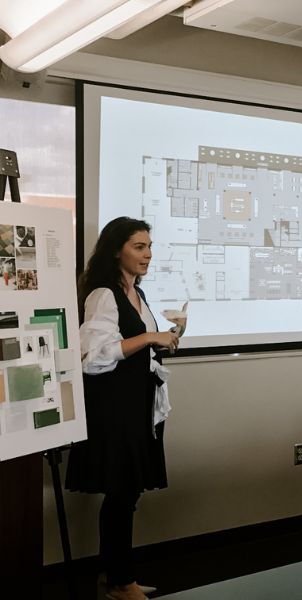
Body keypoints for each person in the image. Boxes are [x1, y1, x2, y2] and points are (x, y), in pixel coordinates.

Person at [65, 217, 182, 600]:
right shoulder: (103, 294)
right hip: (114, 408)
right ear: (117, 250)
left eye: (149, 246)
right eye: (139, 247)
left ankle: (115, 576)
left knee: (127, 493)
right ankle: (120, 581)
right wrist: (149, 336)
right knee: (121, 492)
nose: (148, 254)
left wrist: (164, 340)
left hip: (138, 405)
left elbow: (135, 346)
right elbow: (93, 356)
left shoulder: (137, 293)